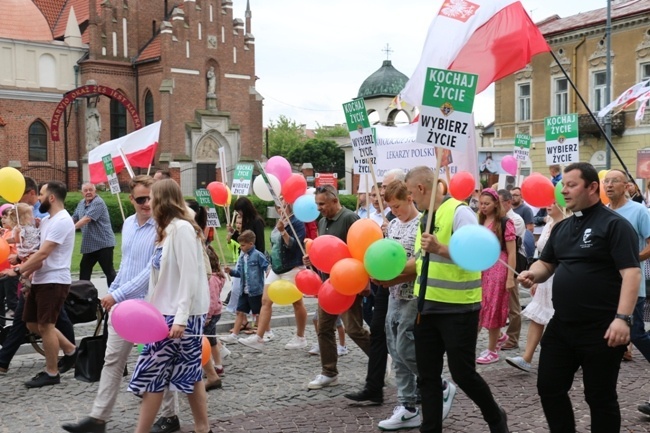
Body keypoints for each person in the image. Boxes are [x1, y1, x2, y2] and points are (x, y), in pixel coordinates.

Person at [517, 162, 640, 433]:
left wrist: (622, 319)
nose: (565, 192)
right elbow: (546, 263)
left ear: (593, 187)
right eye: (563, 186)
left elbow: (631, 273)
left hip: (602, 328)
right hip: (562, 325)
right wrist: (531, 274)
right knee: (548, 387)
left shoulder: (614, 225)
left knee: (600, 397)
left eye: (571, 185)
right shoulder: (562, 228)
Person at [405, 166, 508, 433]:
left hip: (458, 308)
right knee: (427, 377)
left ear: (421, 189)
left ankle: (495, 416)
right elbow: (420, 261)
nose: (410, 200)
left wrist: (440, 247)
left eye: (410, 193)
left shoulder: (459, 211)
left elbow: (475, 253)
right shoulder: (425, 217)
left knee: (463, 374)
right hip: (425, 308)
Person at [62, 175, 157, 433]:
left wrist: (117, 294)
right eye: (141, 199)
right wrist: (113, 292)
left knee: (157, 363)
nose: (147, 203)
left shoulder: (163, 226)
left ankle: (170, 415)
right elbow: (126, 265)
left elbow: (151, 271)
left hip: (152, 307)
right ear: (131, 199)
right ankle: (98, 418)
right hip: (124, 307)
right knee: (112, 359)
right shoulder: (127, 224)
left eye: (151, 198)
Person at [127, 179, 211, 433]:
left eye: (150, 197)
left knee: (160, 372)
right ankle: (203, 428)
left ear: (162, 200)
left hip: (179, 315)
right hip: (164, 314)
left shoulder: (182, 229)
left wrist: (181, 318)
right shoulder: (165, 231)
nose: (147, 202)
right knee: (188, 373)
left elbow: (189, 276)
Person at [374, 180, 455, 430]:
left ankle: (439, 384)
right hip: (394, 294)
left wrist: (391, 276)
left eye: (397, 205)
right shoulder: (393, 225)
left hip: (414, 295)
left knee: (405, 346)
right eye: (391, 207)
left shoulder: (422, 225)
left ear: (410, 198)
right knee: (394, 350)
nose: (394, 211)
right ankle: (407, 405)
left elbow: (418, 264)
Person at [1, 181, 77, 388]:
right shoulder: (47, 221)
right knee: (31, 323)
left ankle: (52, 372)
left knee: (46, 326)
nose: (38, 198)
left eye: (42, 195)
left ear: (51, 197)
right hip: (40, 280)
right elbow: (35, 247)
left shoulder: (62, 220)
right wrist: (19, 256)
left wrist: (18, 270)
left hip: (53, 280)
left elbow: (44, 253)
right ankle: (71, 350)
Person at [305, 184, 370, 390]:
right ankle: (329, 372)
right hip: (329, 286)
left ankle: (380, 356)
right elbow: (325, 251)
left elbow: (362, 250)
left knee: (354, 329)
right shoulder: (322, 221)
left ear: (335, 200)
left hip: (350, 284)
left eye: (322, 203)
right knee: (324, 327)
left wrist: (363, 282)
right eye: (317, 204)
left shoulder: (350, 218)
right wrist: (312, 259)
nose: (319, 208)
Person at [344, 171, 401, 405]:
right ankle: (373, 387)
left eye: (386, 186)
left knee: (403, 339)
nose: (382, 190)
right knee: (378, 332)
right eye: (380, 186)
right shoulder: (382, 217)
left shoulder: (403, 216)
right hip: (383, 285)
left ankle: (424, 386)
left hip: (404, 287)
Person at [506, 202, 568, 373]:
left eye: (553, 202)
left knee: (559, 318)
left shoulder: (567, 224)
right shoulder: (549, 224)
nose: (549, 205)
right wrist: (535, 277)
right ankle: (527, 357)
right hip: (544, 277)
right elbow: (542, 255)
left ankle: (568, 356)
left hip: (560, 277)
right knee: (538, 317)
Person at [238, 201, 309, 351]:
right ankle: (259, 337)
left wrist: (283, 232)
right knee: (265, 300)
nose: (279, 208)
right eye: (277, 205)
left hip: (292, 267)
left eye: (282, 204)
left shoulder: (297, 222)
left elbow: (294, 246)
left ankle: (301, 337)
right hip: (277, 268)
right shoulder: (280, 222)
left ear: (289, 204)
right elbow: (274, 246)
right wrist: (270, 264)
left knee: (297, 302)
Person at [603, 169, 650, 363]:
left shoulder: (639, 211)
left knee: (636, 332)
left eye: (615, 181)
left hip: (632, 286)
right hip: (607, 285)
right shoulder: (603, 211)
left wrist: (630, 260)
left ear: (626, 186)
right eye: (606, 181)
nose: (609, 185)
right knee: (607, 330)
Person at [476, 188, 516, 364]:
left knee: (494, 306)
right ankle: (498, 336)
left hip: (499, 266)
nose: (483, 207)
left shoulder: (505, 222)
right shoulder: (481, 220)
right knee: (482, 305)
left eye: (487, 203)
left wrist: (509, 278)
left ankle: (492, 350)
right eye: (481, 203)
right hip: (483, 266)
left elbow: (512, 252)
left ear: (495, 204)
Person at [221, 230, 269, 343]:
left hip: (255, 290)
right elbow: (239, 273)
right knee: (239, 311)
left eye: (243, 245)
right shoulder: (242, 257)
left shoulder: (258, 255)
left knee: (259, 313)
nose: (241, 247)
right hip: (244, 290)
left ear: (251, 244)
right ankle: (234, 335)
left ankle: (267, 332)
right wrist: (231, 271)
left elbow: (266, 266)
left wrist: (268, 273)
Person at [497, 189, 527, 351]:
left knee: (512, 303)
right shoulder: (497, 219)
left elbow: (507, 242)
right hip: (496, 265)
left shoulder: (515, 220)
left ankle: (513, 337)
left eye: (499, 202)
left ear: (508, 203)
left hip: (512, 264)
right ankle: (499, 335)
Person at [72, 182, 116, 286]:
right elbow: (75, 217)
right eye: (85, 190)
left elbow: (87, 219)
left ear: (95, 191)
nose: (88, 192)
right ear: (82, 193)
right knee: (84, 270)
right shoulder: (81, 203)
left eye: (90, 190)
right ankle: (83, 296)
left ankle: (115, 296)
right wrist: (64, 224)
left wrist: (71, 229)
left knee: (108, 271)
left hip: (103, 244)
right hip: (90, 245)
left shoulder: (98, 202)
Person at [203, 245, 227, 391]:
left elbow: (211, 300)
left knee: (206, 340)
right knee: (212, 340)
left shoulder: (211, 279)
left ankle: (212, 366)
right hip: (215, 312)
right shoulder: (218, 275)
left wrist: (207, 316)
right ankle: (218, 365)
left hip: (210, 314)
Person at [9, 203, 41, 289]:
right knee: (38, 264)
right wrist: (17, 233)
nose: (32, 216)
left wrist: (38, 225)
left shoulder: (30, 225)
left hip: (33, 250)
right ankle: (24, 275)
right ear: (24, 217)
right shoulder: (19, 228)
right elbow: (18, 240)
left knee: (35, 270)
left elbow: (35, 234)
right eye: (30, 214)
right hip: (27, 251)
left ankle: (27, 286)